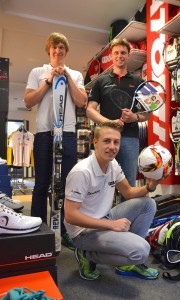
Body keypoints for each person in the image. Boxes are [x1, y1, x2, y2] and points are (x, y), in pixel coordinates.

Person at [64, 122, 165, 281]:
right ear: (95, 142)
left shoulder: (113, 164)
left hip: (106, 216)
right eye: (107, 141)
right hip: (83, 231)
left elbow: (129, 192)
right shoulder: (81, 172)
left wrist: (150, 187)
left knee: (148, 203)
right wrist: (112, 225)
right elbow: (70, 216)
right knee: (141, 251)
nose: (112, 146)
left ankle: (126, 260)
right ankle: (88, 254)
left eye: (116, 142)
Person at [24, 32, 87, 249]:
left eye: (62, 48)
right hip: (44, 134)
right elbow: (28, 101)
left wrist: (67, 78)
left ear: (66, 51)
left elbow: (81, 102)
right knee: (41, 183)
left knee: (67, 185)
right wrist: (48, 82)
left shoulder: (76, 75)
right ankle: (37, 230)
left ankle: (64, 230)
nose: (58, 51)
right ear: (48, 50)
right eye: (54, 47)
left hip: (67, 134)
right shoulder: (37, 72)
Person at [86, 38, 152, 197]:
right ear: (111, 55)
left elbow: (148, 113)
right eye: (116, 53)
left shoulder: (139, 82)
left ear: (128, 55)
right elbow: (90, 110)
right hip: (106, 138)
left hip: (130, 138)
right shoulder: (101, 81)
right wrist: (109, 123)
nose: (119, 56)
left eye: (123, 53)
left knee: (128, 183)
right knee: (101, 181)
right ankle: (103, 219)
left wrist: (134, 117)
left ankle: (125, 220)